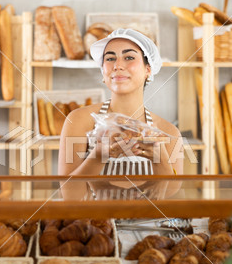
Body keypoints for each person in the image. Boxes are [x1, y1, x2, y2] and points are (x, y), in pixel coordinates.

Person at [57, 29, 183, 200]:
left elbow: (169, 194)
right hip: (95, 225)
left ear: (148, 69)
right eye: (110, 58)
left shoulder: (168, 131)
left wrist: (159, 159)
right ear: (103, 72)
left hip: (145, 225)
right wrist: (98, 155)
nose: (118, 65)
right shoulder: (78, 120)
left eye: (129, 57)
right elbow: (71, 196)